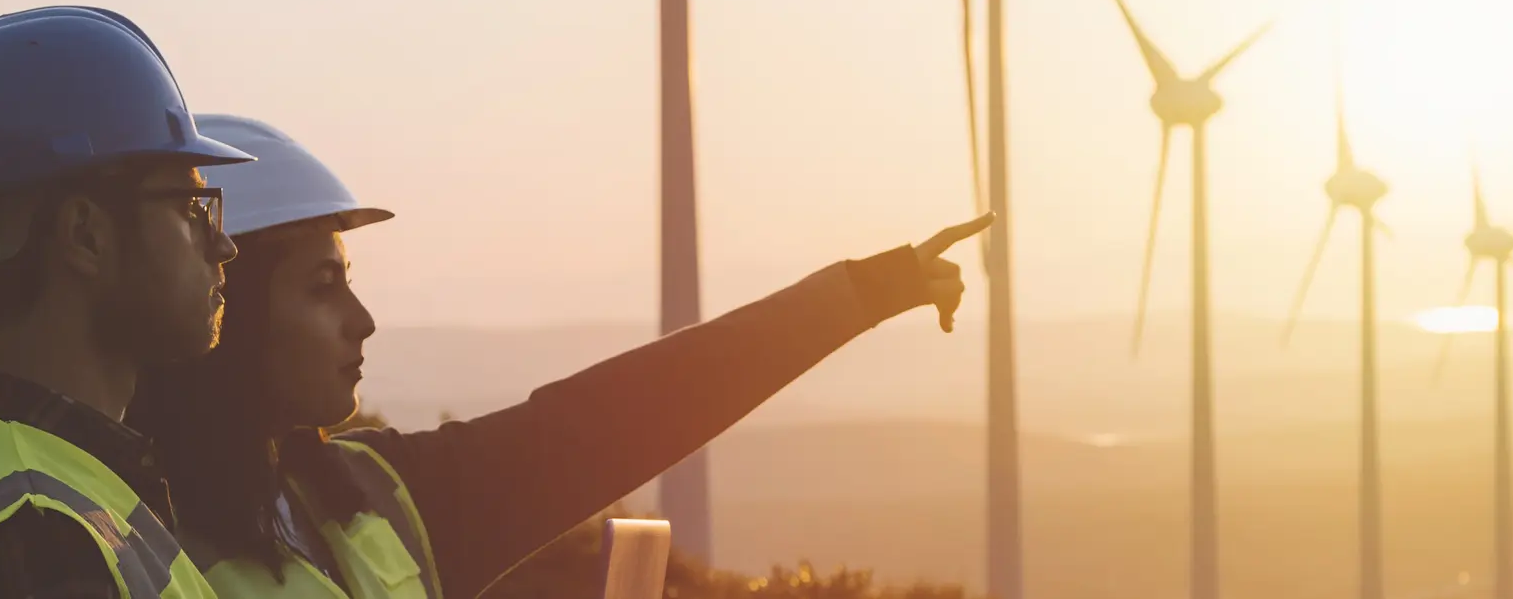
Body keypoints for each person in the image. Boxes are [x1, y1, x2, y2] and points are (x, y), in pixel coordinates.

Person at [125, 113, 992, 598]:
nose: (363, 321)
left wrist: (866, 292)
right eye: (322, 288)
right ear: (228, 308)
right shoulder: (115, 545)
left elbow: (622, 415)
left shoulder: (375, 497)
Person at [0, 6, 256, 598]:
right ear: (86, 235)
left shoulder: (20, 486)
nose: (224, 245)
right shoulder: (38, 534)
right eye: (191, 208)